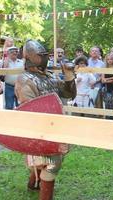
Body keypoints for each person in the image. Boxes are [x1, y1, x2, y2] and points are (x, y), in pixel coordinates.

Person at [14, 40, 76, 199]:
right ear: (30, 57)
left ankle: (33, 184)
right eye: (41, 56)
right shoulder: (25, 79)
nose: (45, 58)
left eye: (45, 55)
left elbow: (69, 94)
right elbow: (30, 109)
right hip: (38, 128)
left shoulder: (48, 76)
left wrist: (69, 76)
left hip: (53, 125)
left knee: (49, 159)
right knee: (52, 163)